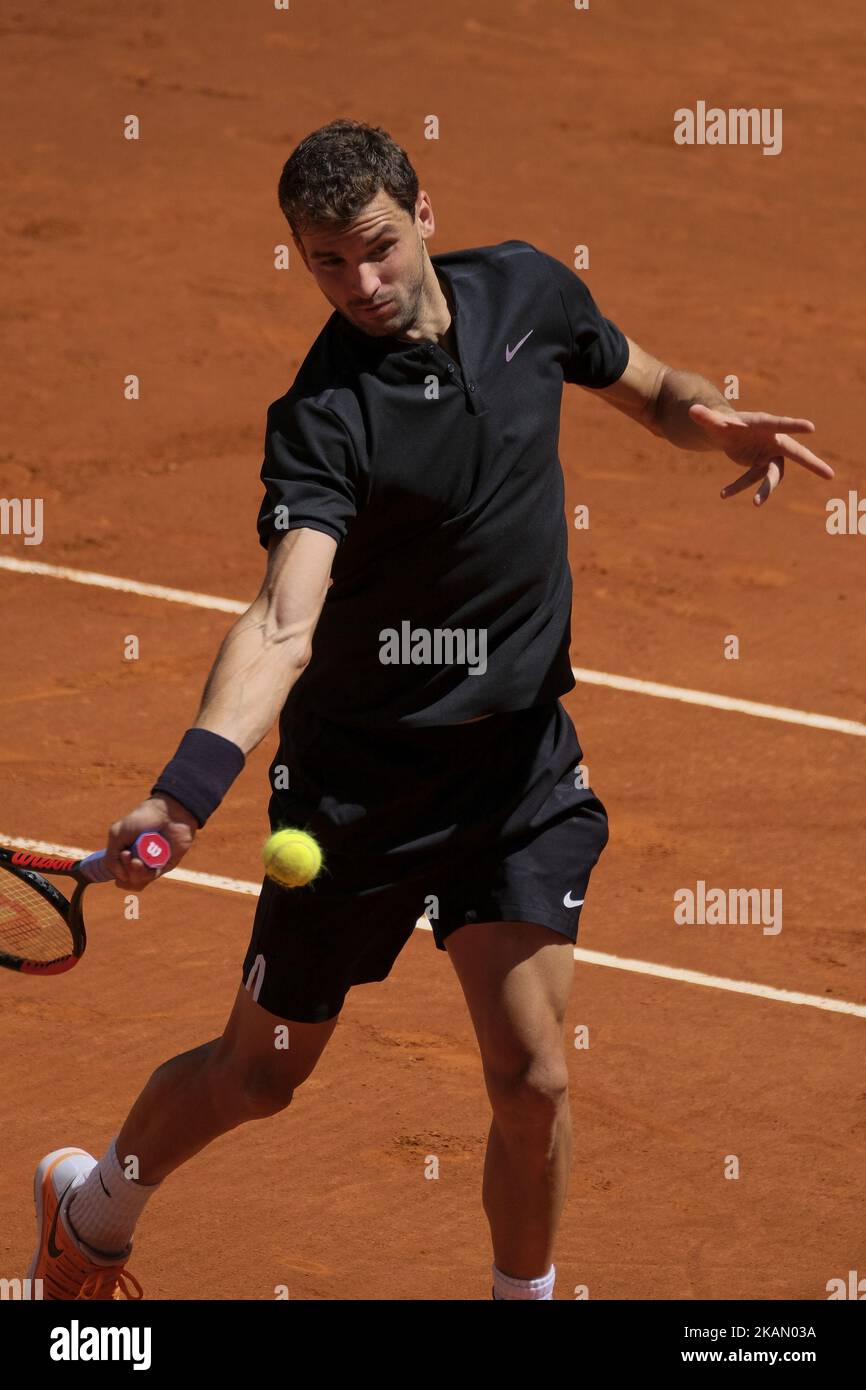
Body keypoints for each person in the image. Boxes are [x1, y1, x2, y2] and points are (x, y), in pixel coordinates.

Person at [27, 119, 832, 1303]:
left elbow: (647, 383)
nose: (357, 285)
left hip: (517, 769)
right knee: (258, 1079)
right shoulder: (322, 416)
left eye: (374, 249)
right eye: (323, 263)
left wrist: (705, 414)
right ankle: (89, 1215)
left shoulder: (525, 291)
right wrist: (186, 789)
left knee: (534, 1079)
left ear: (423, 214)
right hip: (358, 794)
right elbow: (280, 622)